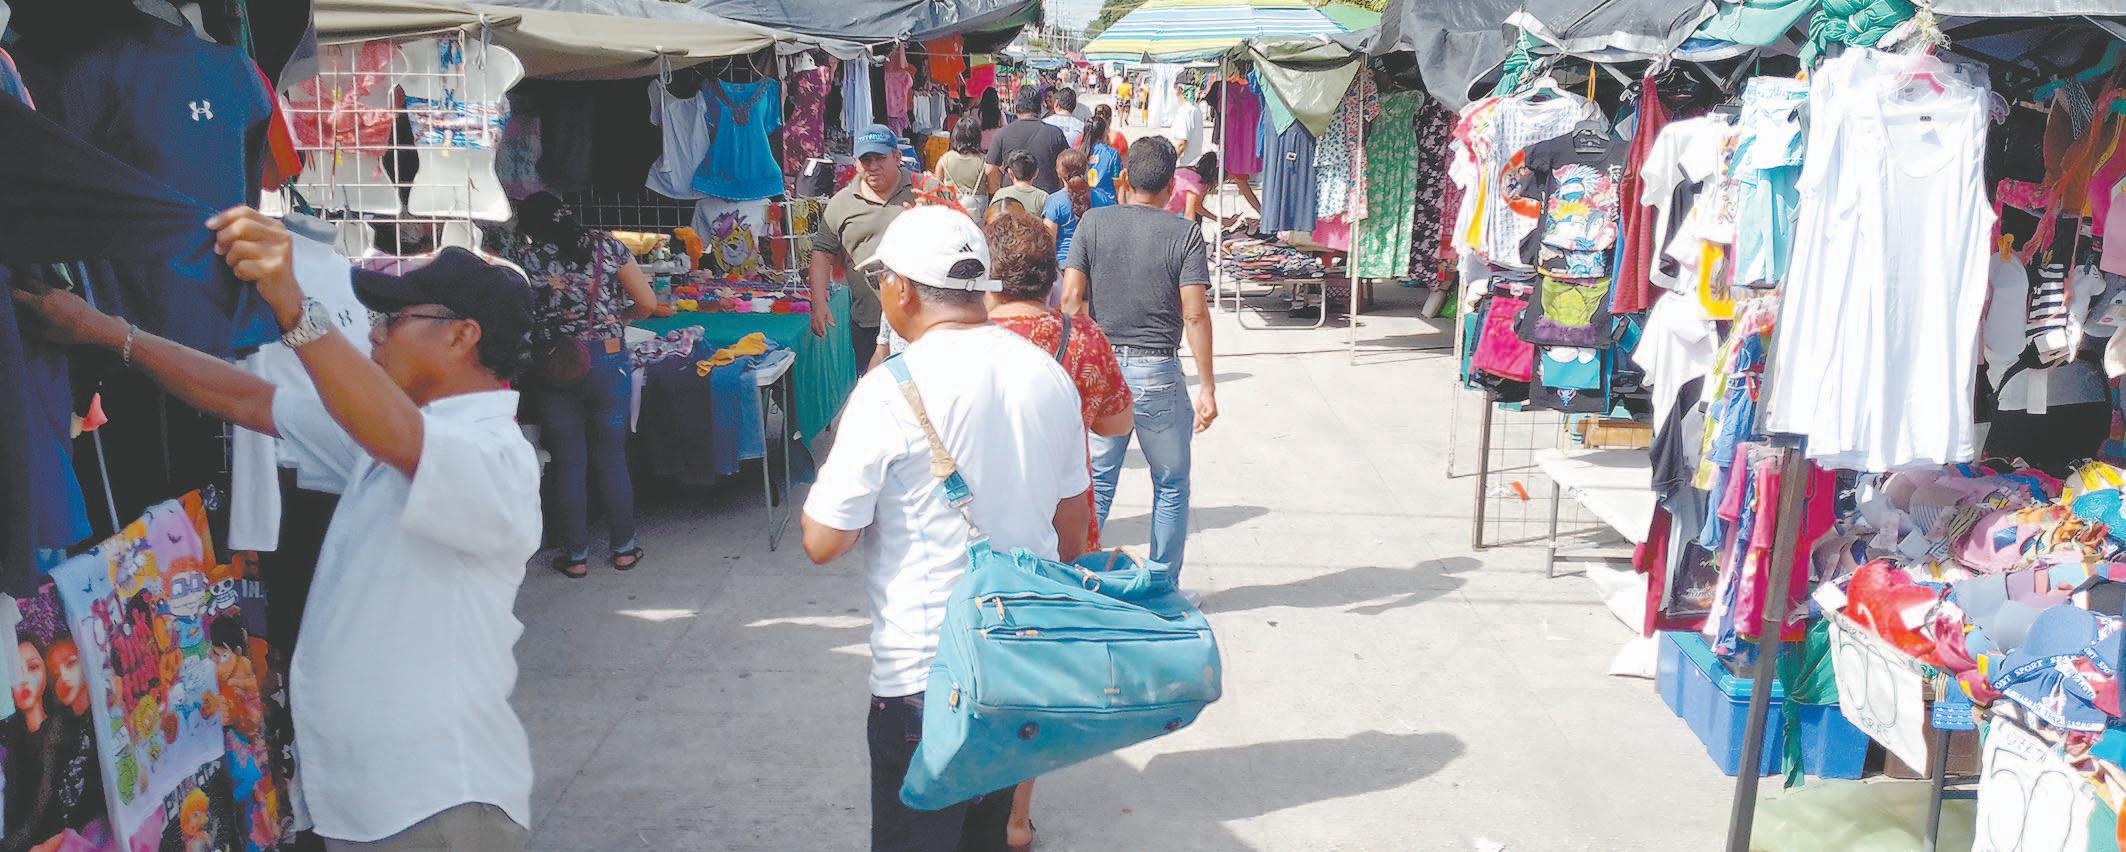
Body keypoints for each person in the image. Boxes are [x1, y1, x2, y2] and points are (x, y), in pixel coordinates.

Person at [16, 207, 541, 851]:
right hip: (373, 804)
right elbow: (246, 398)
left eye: (394, 319)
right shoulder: (391, 441)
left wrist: (295, 307)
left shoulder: (493, 458)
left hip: (438, 806)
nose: (374, 333)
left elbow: (404, 439)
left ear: (461, 337)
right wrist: (106, 332)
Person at [800, 206, 1092, 852]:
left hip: (925, 679)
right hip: (1016, 665)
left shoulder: (888, 391)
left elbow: (823, 541)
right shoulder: (1047, 374)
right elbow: (1073, 528)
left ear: (901, 290)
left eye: (881, 281)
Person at [980, 209, 1135, 852]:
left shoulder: (960, 339)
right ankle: (1015, 819)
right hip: (1060, 524)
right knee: (1033, 680)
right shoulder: (1081, 338)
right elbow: (1117, 425)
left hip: (974, 522)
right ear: (1049, 278)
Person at [1060, 137, 1217, 584]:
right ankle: (1162, 586)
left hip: (1105, 370)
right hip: (1158, 372)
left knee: (1097, 483)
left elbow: (1070, 299)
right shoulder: (1184, 234)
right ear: (1171, 187)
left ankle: (1079, 580)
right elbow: (1194, 314)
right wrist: (1207, 386)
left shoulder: (1093, 222)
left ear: (1125, 178)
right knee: (1170, 483)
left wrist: (1078, 366)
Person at [510, 192, 657, 579]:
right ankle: (624, 549)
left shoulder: (525, 260)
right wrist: (619, 320)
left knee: (568, 461)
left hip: (554, 366)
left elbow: (520, 316)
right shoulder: (607, 246)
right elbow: (647, 302)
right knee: (612, 457)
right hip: (606, 361)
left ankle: (575, 556)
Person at [814, 124, 917, 371]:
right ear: (856, 164)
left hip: (918, 316)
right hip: (868, 320)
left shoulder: (924, 191)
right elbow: (822, 253)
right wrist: (818, 301)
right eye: (865, 160)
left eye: (880, 158)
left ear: (897, 157)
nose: (873, 166)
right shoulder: (841, 203)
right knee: (875, 387)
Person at [1042, 149, 1112, 280]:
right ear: (1086, 170)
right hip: (1096, 267)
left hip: (1065, 268)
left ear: (1059, 173)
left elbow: (1048, 240)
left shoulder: (1055, 201)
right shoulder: (1103, 197)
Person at [986, 86, 1070, 194]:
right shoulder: (1055, 133)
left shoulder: (1002, 134)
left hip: (1012, 198)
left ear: (1016, 106)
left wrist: (998, 193)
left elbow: (990, 169)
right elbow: (1067, 165)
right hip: (1046, 197)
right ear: (1039, 107)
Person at [932, 115, 991, 219]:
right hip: (977, 214)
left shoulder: (944, 160)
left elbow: (936, 188)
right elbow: (992, 188)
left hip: (951, 212)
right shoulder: (985, 161)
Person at [989, 151, 1050, 222]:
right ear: (1036, 173)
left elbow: (990, 219)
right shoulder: (1043, 197)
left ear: (1010, 173)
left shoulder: (1000, 194)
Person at [1082, 105, 1124, 200]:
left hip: (1085, 202)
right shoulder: (1112, 154)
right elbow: (1117, 184)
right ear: (1104, 132)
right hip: (1107, 202)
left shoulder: (1079, 151)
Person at [1167, 82, 1206, 159]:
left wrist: (1171, 161)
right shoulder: (1195, 107)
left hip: (1184, 162)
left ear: (1178, 90)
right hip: (1193, 160)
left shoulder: (1185, 111)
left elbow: (1182, 143)